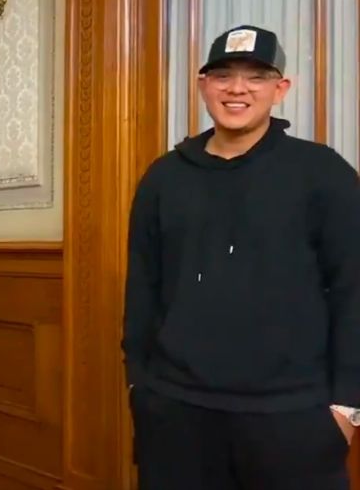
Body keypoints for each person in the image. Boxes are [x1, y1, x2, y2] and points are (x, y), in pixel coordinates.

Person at [123, 25, 360, 490]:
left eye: (256, 76)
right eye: (223, 75)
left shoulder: (323, 173)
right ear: (202, 85)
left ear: (280, 89)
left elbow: (354, 288)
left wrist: (347, 405)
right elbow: (142, 288)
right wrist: (140, 387)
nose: (237, 89)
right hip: (175, 412)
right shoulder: (163, 178)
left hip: (293, 415)